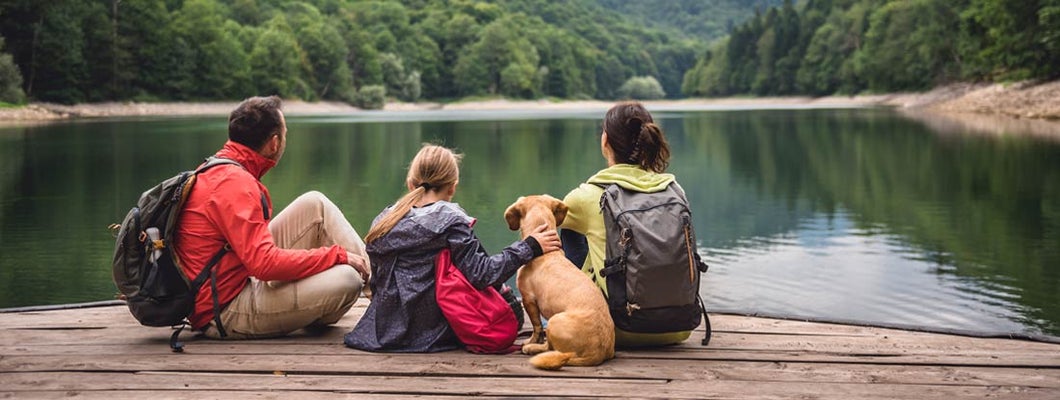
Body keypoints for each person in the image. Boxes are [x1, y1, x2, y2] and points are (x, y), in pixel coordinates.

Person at [176, 96, 371, 339]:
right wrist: (336, 256)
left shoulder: (218, 168)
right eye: (285, 133)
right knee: (347, 279)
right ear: (274, 143)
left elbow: (256, 258)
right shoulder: (236, 184)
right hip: (225, 310)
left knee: (315, 204)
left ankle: (381, 289)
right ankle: (382, 294)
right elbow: (265, 265)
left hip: (236, 276)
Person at [344, 144, 561, 352]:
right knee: (508, 305)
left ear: (411, 183)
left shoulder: (384, 221)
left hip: (382, 329)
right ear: (452, 187)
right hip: (434, 332)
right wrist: (529, 246)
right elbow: (482, 274)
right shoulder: (450, 222)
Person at [559, 101, 693, 347]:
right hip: (680, 326)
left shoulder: (586, 196)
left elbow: (545, 227)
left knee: (568, 229)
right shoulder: (675, 190)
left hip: (614, 328)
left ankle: (569, 311)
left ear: (605, 141)